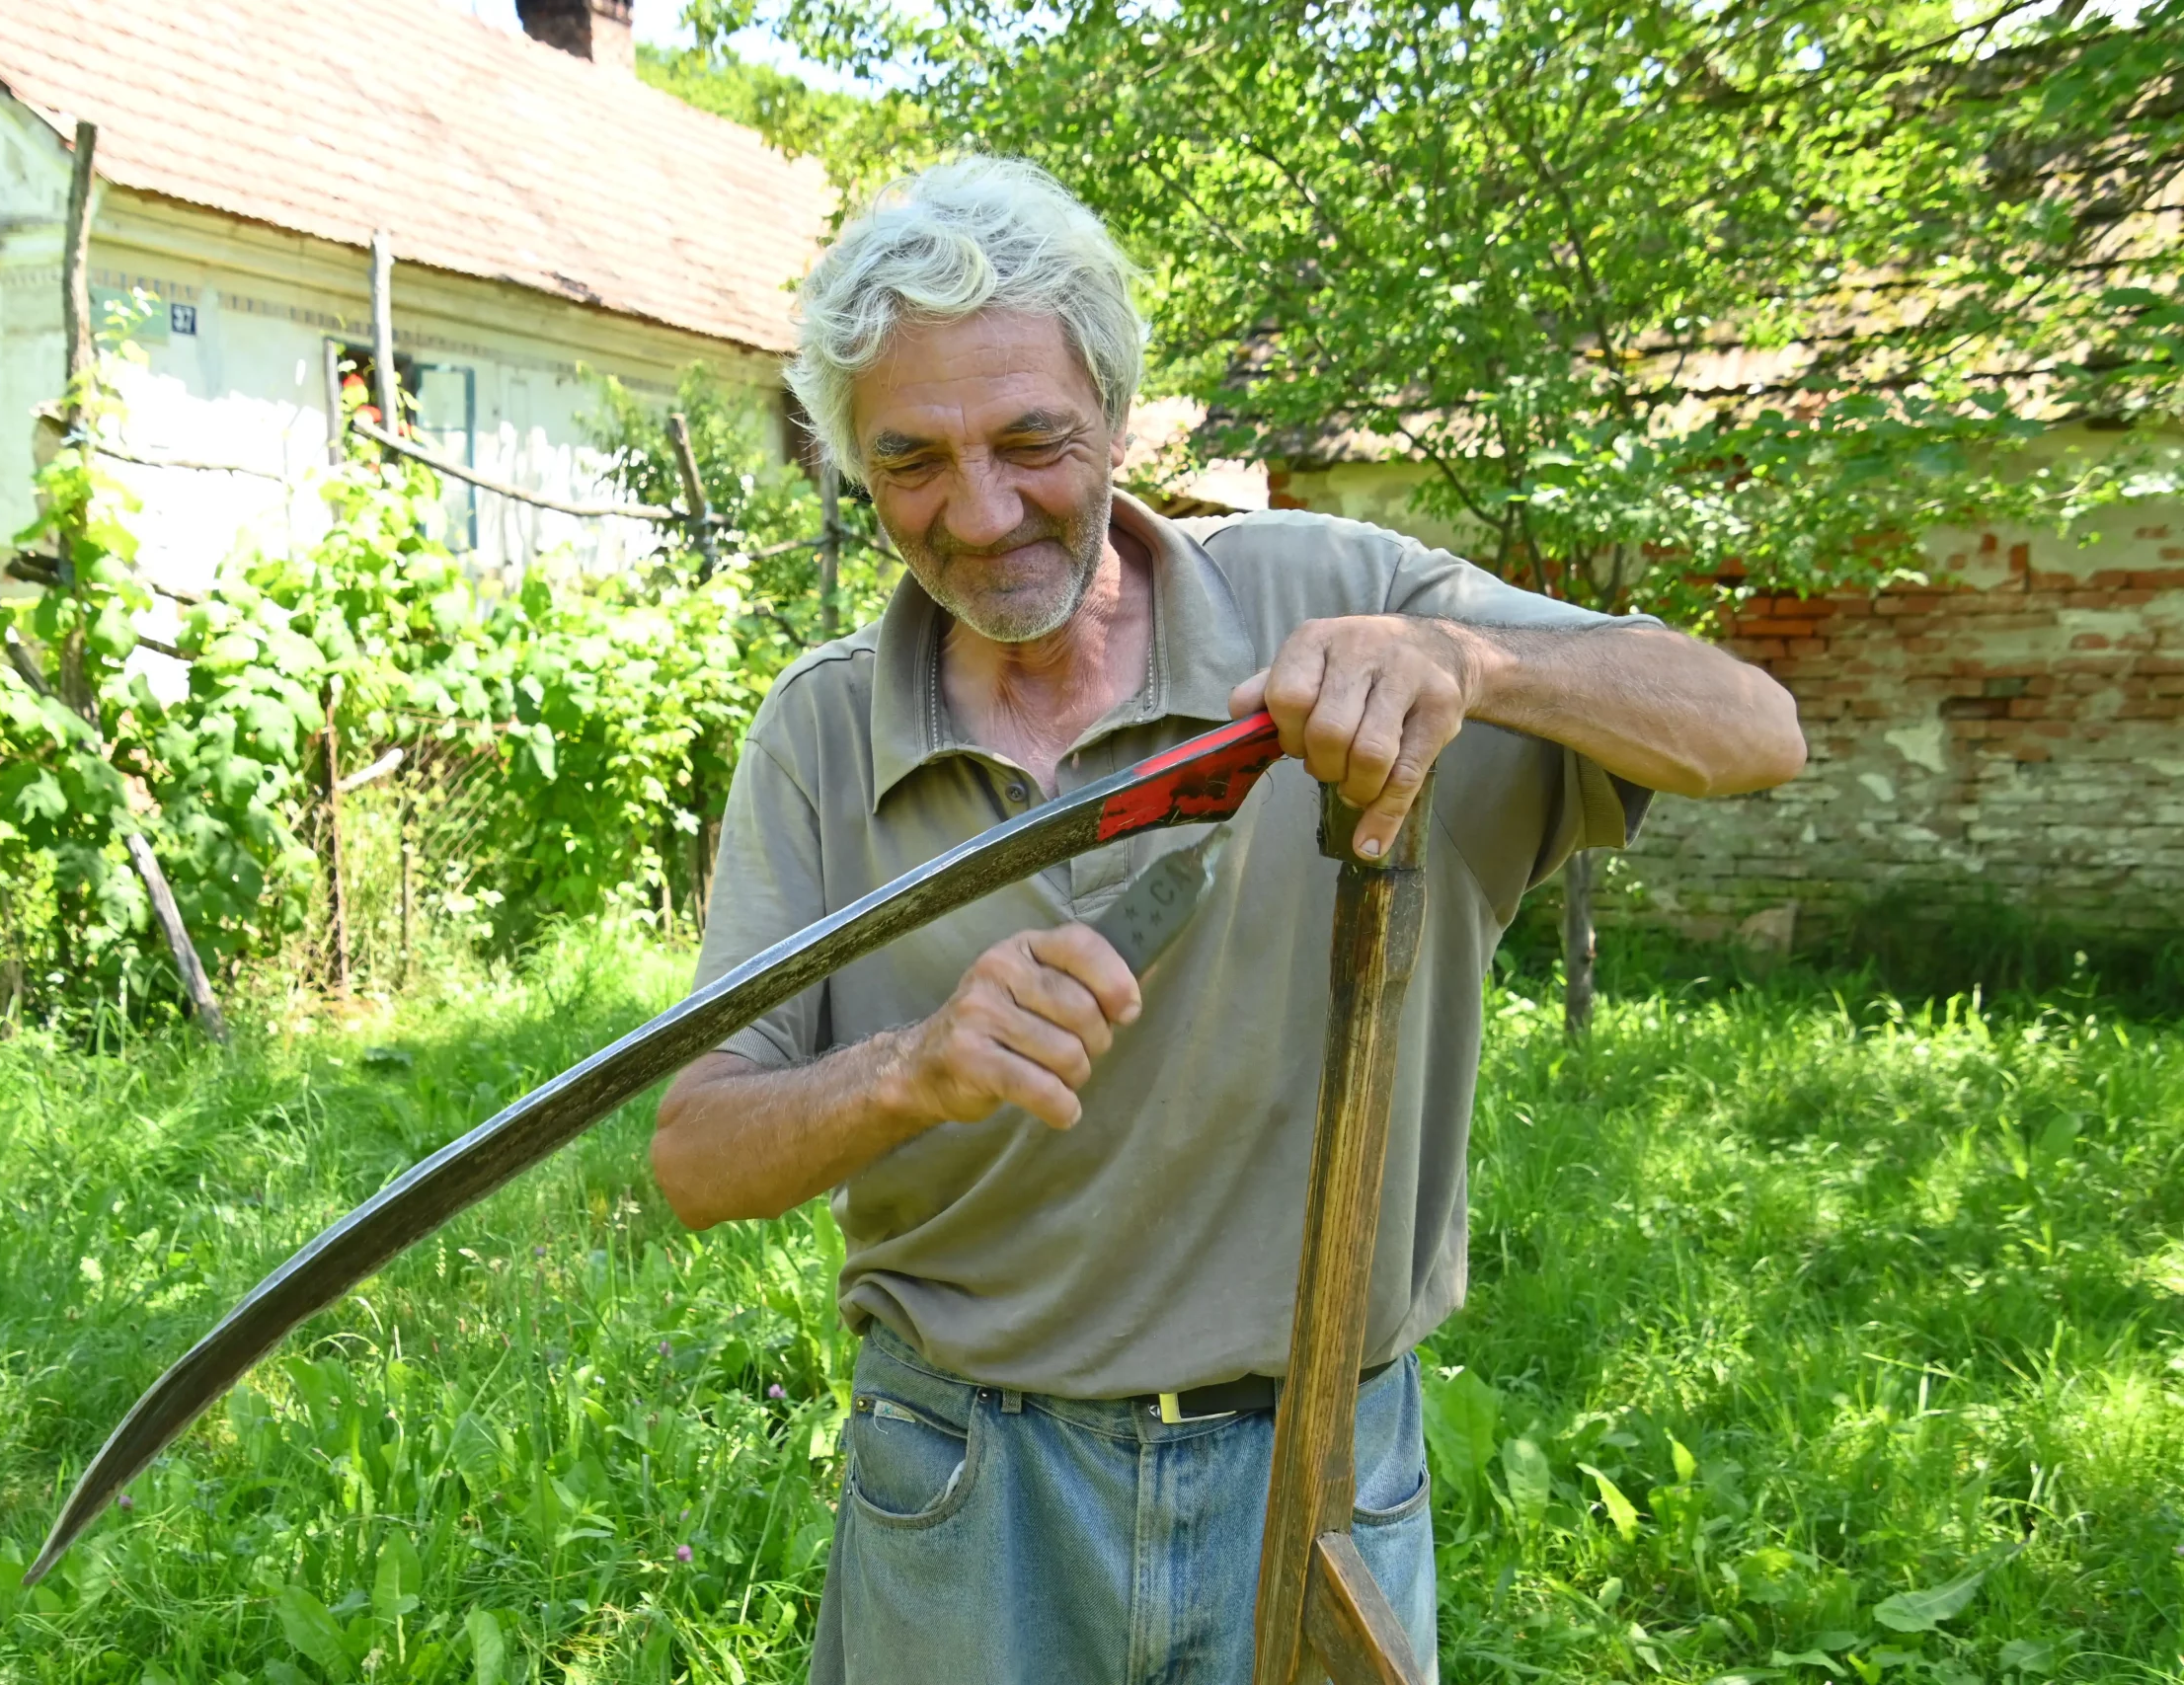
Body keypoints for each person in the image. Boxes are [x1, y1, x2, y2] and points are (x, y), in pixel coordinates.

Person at [652, 158, 1806, 1685]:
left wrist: (1475, 662)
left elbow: (1753, 728)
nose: (981, 512)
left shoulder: (1341, 594)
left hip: (1318, 1460)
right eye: (911, 460)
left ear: (1118, 421)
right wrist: (910, 1067)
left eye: (1032, 441)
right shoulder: (819, 729)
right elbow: (693, 1154)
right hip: (967, 1481)